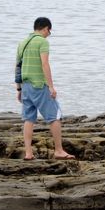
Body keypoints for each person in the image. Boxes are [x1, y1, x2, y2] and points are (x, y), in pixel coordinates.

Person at [15, 17, 75, 160]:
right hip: (39, 85)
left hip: (26, 86)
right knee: (54, 116)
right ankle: (59, 150)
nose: (49, 34)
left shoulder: (22, 43)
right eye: (49, 31)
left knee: (29, 119)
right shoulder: (42, 42)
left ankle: (29, 153)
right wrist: (51, 86)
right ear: (45, 28)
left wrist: (18, 89)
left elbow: (17, 67)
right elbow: (45, 64)